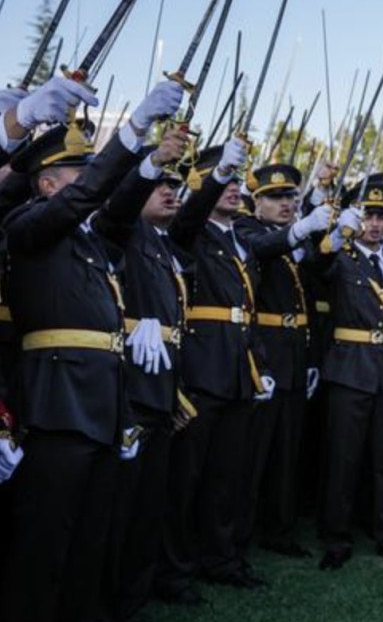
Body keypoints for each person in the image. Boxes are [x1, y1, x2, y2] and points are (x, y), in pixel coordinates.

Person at [0, 77, 181, 620]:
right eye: (79, 175)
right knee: (44, 544)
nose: (90, 184)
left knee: (88, 542)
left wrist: (144, 163)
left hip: (101, 405)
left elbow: (118, 211)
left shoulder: (89, 241)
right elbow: (92, 194)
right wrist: (130, 132)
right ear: (50, 185)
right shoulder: (27, 225)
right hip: (58, 403)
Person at [157, 136, 271, 602]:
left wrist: (259, 366)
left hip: (238, 367)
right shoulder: (189, 230)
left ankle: (220, 557)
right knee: (187, 478)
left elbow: (249, 307)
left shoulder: (241, 237)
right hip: (203, 367)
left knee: (227, 474)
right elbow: (187, 216)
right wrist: (214, 174)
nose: (233, 190)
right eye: (220, 181)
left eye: (235, 182)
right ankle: (175, 570)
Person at [90, 127, 193, 620]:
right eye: (158, 185)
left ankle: (135, 592)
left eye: (174, 185)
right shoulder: (124, 230)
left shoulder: (162, 243)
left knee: (149, 501)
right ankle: (111, 596)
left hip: (161, 385)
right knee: (121, 503)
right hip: (129, 386)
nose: (170, 191)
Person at [313, 178, 383, 569]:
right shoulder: (340, 256)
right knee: (344, 458)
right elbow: (316, 264)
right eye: (367, 215)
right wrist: (336, 229)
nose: (374, 224)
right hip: (350, 367)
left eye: (381, 216)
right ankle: (337, 538)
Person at [235, 164, 328, 559]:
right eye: (275, 198)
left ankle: (279, 528)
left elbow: (317, 284)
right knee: (253, 453)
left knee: (287, 451)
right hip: (265, 351)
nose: (286, 204)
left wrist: (329, 235)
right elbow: (266, 248)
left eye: (291, 197)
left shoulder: (294, 240)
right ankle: (240, 532)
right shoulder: (248, 231)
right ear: (256, 204)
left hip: (294, 350)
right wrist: (302, 229)